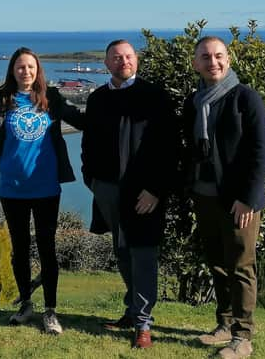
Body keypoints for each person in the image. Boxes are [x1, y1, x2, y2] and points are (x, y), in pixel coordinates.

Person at [81, 39, 177, 349]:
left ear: (136, 60)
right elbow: (88, 143)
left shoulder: (155, 97)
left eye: (128, 56)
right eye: (116, 57)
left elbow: (170, 148)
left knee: (143, 254)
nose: (124, 61)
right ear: (107, 64)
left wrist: (156, 190)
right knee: (122, 251)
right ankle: (133, 310)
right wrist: (92, 180)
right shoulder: (97, 99)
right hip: (107, 188)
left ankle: (143, 324)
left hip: (145, 193)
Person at [0, 47, 84, 335]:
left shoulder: (50, 97)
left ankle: (50, 310)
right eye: (20, 67)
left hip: (46, 187)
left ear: (37, 70)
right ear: (12, 71)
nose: (25, 72)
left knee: (47, 248)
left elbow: (79, 119)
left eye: (30, 67)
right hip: (12, 188)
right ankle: (26, 304)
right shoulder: (1, 99)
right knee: (20, 249)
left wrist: (114, 116)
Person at [183, 36, 265, 359]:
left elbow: (261, 152)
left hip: (239, 201)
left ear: (229, 60)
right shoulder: (194, 102)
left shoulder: (245, 98)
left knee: (241, 266)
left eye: (219, 56)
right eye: (205, 57)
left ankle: (242, 336)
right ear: (195, 63)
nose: (213, 62)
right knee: (217, 265)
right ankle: (223, 324)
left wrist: (248, 197)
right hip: (205, 197)